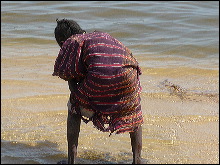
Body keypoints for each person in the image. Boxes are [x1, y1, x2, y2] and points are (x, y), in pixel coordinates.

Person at [53, 18, 143, 164]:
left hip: (101, 76)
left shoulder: (73, 42)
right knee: (134, 112)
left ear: (62, 41)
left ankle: (71, 161)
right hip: (130, 74)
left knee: (74, 109)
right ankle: (137, 160)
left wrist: (80, 97)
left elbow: (67, 74)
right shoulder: (98, 36)